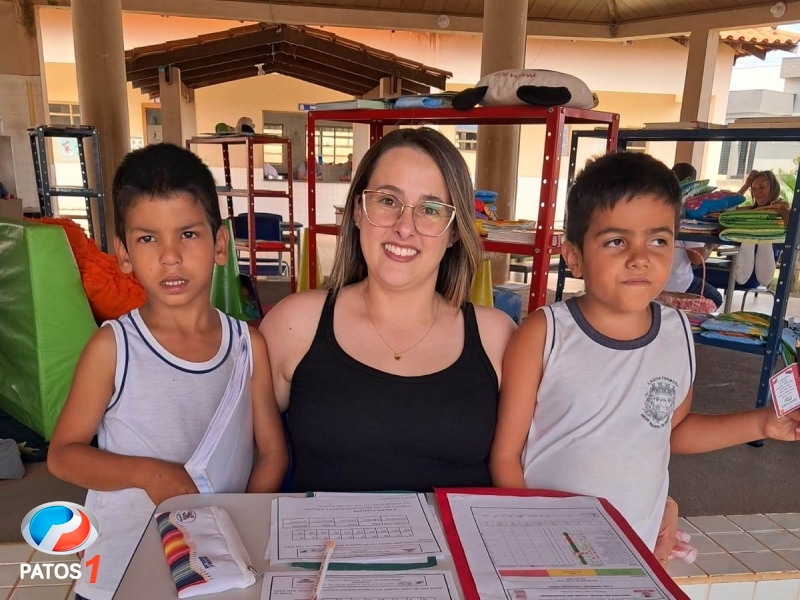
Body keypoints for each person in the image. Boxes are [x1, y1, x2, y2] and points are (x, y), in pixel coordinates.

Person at [490, 151, 800, 566]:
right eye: (616, 241)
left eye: (658, 240)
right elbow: (507, 455)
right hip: (548, 548)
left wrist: (761, 423)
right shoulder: (544, 334)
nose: (640, 257)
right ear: (575, 255)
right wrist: (533, 532)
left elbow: (671, 431)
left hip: (636, 550)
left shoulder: (677, 333)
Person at [47, 143, 288, 600]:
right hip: (121, 571)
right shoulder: (112, 347)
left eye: (189, 235)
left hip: (214, 568)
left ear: (220, 245)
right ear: (123, 254)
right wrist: (150, 474)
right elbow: (63, 455)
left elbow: (272, 452)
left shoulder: (246, 346)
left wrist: (234, 526)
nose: (170, 256)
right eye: (147, 238)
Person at [260, 127, 516, 493]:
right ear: (357, 213)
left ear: (454, 232)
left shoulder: (497, 337)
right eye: (387, 201)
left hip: (459, 549)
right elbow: (244, 452)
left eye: (430, 209)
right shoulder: (295, 324)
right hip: (326, 550)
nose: (404, 227)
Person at [664, 163, 722, 308]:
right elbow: (697, 258)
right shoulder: (687, 212)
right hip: (676, 282)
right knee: (715, 298)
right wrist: (711, 245)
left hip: (655, 278)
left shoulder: (662, 205)